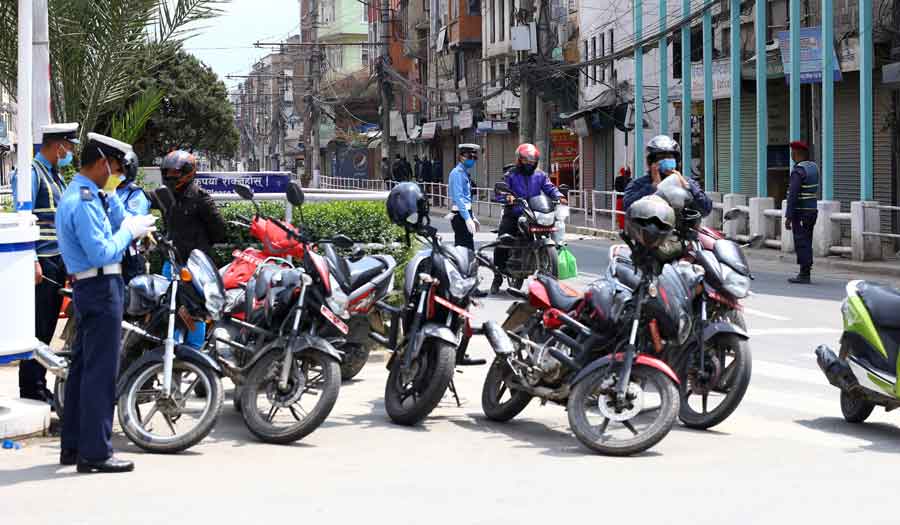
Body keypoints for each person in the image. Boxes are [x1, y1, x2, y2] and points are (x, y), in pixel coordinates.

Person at [56, 133, 157, 473]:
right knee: (100, 374)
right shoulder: (83, 201)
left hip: (93, 287)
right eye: (114, 169)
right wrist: (129, 232)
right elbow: (102, 250)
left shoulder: (89, 194)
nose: (116, 175)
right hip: (100, 287)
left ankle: (73, 447)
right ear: (101, 163)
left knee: (84, 370)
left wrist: (114, 197)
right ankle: (96, 453)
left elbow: (113, 219)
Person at [11, 122, 79, 405]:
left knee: (48, 327)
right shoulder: (30, 173)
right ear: (58, 144)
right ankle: (31, 389)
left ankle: (39, 385)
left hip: (58, 261)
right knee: (37, 327)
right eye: (69, 146)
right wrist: (33, 260)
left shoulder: (57, 176)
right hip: (43, 263)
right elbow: (22, 217)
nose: (71, 152)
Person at [161, 149, 226, 348]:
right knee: (167, 308)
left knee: (194, 311)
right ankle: (169, 352)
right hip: (170, 263)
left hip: (195, 270)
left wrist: (199, 249)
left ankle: (195, 354)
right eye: (168, 173)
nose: (171, 177)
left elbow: (220, 232)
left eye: (175, 173)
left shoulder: (201, 199)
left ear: (188, 172)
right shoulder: (166, 196)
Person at [490, 143, 567, 295]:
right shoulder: (510, 175)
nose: (529, 164)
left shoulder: (540, 175)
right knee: (503, 240)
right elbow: (499, 191)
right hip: (515, 213)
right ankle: (497, 274)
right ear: (519, 160)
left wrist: (559, 196)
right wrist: (507, 197)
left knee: (554, 228)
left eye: (532, 161)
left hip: (535, 213)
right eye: (526, 160)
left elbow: (549, 187)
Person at [623, 135, 712, 216]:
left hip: (681, 230)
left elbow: (706, 209)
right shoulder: (639, 183)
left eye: (669, 157)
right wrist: (653, 186)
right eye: (661, 157)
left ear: (676, 160)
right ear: (651, 162)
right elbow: (628, 207)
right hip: (652, 229)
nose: (666, 160)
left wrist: (687, 186)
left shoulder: (687, 182)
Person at [113, 151, 151, 283]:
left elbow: (130, 223)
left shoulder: (135, 194)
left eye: (120, 169)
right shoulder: (106, 189)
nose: (116, 173)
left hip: (129, 257)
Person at [785, 141, 819, 284]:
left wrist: (788, 216)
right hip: (812, 210)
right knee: (807, 239)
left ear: (798, 153)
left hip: (801, 212)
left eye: (793, 152)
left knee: (801, 241)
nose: (792, 155)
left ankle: (804, 274)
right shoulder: (813, 167)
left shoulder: (798, 171)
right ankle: (806, 269)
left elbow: (793, 195)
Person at [448, 143, 481, 251]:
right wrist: (467, 218)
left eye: (474, 157)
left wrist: (472, 216)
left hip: (464, 212)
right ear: (461, 157)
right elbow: (459, 198)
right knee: (464, 249)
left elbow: (467, 198)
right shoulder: (457, 173)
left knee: (467, 247)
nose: (472, 160)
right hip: (460, 216)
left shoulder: (464, 173)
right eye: (470, 157)